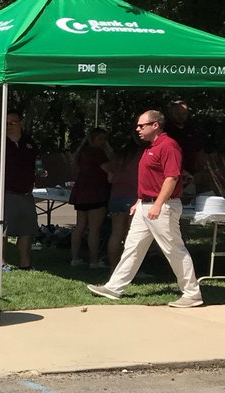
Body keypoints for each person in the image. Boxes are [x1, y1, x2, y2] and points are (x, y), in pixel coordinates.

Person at [87, 109, 203, 308]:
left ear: (155, 125)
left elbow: (172, 177)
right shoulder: (151, 147)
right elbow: (150, 179)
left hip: (162, 206)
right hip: (145, 205)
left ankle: (192, 293)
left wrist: (157, 203)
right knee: (132, 247)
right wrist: (140, 200)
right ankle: (114, 287)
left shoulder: (168, 146)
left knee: (173, 249)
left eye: (142, 125)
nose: (138, 129)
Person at [0, 109, 42, 270]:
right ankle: (1, 262)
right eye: (5, 123)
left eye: (12, 123)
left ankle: (25, 263)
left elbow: (36, 163)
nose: (8, 126)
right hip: (3, 193)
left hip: (26, 193)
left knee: (27, 229)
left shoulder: (29, 142)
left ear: (20, 123)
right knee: (1, 229)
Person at [68, 128, 111, 268]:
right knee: (94, 229)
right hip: (95, 194)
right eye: (100, 139)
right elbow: (109, 169)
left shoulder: (82, 153)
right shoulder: (98, 153)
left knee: (80, 226)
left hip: (81, 194)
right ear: (93, 139)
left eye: (104, 139)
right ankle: (94, 261)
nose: (103, 142)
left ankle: (75, 258)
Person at [104, 138, 142, 269]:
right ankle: (129, 270)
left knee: (116, 234)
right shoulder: (140, 157)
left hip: (116, 197)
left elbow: (109, 177)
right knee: (132, 235)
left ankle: (113, 268)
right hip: (133, 198)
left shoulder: (117, 159)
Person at [165, 99, 205, 200]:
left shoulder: (192, 130)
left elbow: (198, 151)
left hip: (190, 174)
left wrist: (199, 171)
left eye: (183, 113)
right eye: (177, 113)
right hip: (170, 172)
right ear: (171, 113)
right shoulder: (165, 131)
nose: (180, 116)